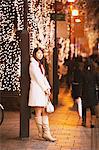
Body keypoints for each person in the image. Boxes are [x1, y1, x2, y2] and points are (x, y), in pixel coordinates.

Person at [28, 48, 56, 142]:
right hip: (37, 91)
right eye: (38, 53)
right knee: (39, 111)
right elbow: (38, 78)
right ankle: (41, 132)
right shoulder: (33, 65)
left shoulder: (40, 65)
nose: (40, 54)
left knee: (45, 111)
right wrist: (45, 89)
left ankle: (46, 133)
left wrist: (48, 88)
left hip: (42, 91)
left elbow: (43, 77)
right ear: (35, 54)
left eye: (41, 53)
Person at [81, 59, 99, 128]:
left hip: (84, 92)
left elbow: (81, 83)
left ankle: (84, 121)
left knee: (84, 108)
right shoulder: (95, 73)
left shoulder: (83, 72)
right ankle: (93, 123)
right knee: (92, 109)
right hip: (92, 92)